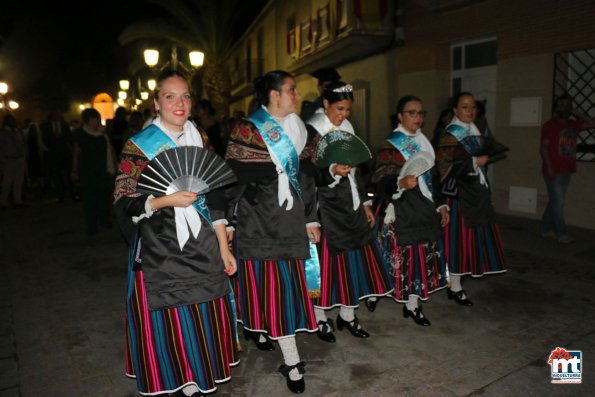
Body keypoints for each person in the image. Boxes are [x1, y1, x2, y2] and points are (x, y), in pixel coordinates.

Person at [114, 70, 239, 397]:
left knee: (201, 313)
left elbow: (214, 196)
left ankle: (199, 375)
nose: (179, 103)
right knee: (171, 318)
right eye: (170, 96)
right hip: (160, 246)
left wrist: (224, 246)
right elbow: (124, 200)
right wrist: (164, 200)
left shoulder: (201, 138)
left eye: (185, 95)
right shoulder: (139, 146)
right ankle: (181, 381)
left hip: (202, 242)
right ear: (156, 103)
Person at [225, 70, 319, 394]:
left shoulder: (301, 131)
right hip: (259, 224)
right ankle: (292, 362)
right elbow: (233, 178)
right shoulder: (247, 129)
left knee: (283, 291)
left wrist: (311, 219)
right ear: (274, 95)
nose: (297, 95)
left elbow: (307, 177)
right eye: (292, 90)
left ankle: (268, 334)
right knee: (268, 290)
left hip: (291, 224)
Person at [305, 81, 392, 341]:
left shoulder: (347, 128)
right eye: (340, 108)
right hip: (325, 207)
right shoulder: (313, 130)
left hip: (350, 203)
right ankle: (320, 318)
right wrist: (331, 171)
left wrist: (364, 202)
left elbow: (357, 172)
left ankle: (347, 315)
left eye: (348, 110)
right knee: (326, 267)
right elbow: (307, 175)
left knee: (351, 263)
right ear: (325, 104)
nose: (344, 114)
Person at [373, 96, 449, 326]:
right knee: (396, 260)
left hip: (424, 209)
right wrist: (399, 183)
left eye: (421, 113)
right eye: (411, 113)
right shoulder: (391, 144)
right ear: (400, 116)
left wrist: (442, 204)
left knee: (418, 260)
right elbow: (379, 179)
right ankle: (377, 292)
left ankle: (413, 305)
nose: (418, 118)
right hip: (400, 210)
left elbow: (433, 179)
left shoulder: (425, 143)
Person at [435, 92, 507, 307]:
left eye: (473, 107)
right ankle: (454, 285)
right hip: (457, 196)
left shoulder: (473, 130)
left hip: (473, 193)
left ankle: (457, 279)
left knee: (469, 240)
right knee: (456, 241)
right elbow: (445, 167)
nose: (470, 111)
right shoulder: (451, 134)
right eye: (464, 107)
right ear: (455, 111)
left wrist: (477, 162)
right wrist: (475, 161)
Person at [539, 93, 595, 244]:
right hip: (554, 170)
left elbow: (592, 123)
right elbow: (543, 148)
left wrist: (576, 112)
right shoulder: (550, 125)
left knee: (555, 201)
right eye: (561, 104)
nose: (564, 107)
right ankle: (561, 233)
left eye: (567, 105)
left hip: (567, 169)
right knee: (558, 202)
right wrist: (549, 167)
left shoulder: (572, 124)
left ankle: (544, 228)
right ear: (556, 107)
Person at [71, 108, 117, 236]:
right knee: (90, 199)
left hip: (103, 170)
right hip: (88, 171)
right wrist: (74, 169)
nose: (98, 121)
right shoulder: (80, 133)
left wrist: (116, 164)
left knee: (104, 197)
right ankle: (92, 225)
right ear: (90, 120)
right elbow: (76, 152)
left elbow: (110, 149)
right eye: (96, 118)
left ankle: (104, 220)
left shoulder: (102, 134)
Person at [40, 108, 77, 202]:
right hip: (52, 154)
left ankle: (73, 193)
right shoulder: (45, 126)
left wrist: (72, 149)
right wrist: (47, 150)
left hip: (64, 153)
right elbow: (43, 139)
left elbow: (69, 138)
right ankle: (60, 194)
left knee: (68, 175)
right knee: (56, 175)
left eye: (58, 114)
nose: (56, 116)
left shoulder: (64, 125)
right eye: (54, 114)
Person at [0, 114, 26, 209]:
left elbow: (22, 143)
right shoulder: (3, 133)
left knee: (18, 182)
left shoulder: (17, 131)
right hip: (9, 159)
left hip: (19, 158)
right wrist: (3, 160)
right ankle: (3, 201)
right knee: (7, 182)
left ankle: (17, 200)